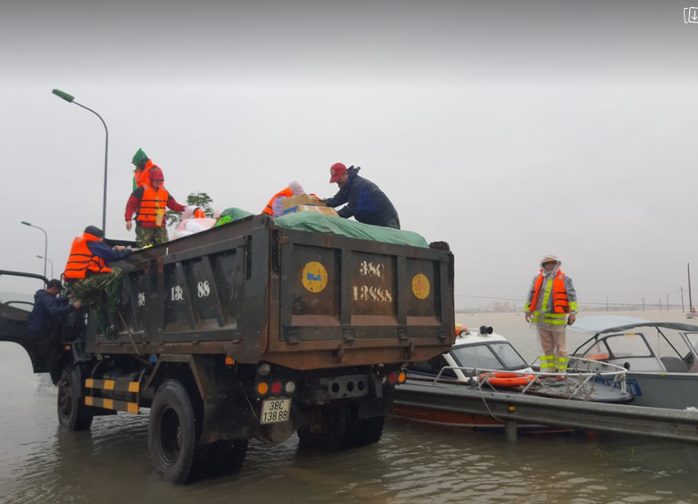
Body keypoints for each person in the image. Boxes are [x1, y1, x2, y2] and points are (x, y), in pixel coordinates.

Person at [63, 226, 130, 336]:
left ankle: (108, 332)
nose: (102, 240)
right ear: (96, 236)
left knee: (97, 306)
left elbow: (100, 254)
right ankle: (115, 304)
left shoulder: (81, 243)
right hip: (83, 282)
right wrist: (127, 251)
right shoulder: (92, 242)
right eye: (101, 238)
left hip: (74, 286)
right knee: (116, 273)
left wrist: (112, 249)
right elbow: (113, 256)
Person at [524, 254, 578, 378]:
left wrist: (573, 313)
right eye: (548, 263)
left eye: (553, 263)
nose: (550, 265)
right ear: (543, 265)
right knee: (546, 347)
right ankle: (549, 370)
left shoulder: (565, 278)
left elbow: (572, 297)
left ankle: (562, 372)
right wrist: (527, 311)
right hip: (541, 318)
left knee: (561, 346)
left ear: (557, 264)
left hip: (557, 318)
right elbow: (530, 295)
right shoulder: (537, 278)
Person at [325, 163, 400, 229]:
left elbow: (351, 209)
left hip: (386, 222)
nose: (337, 182)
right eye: (336, 180)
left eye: (339, 179)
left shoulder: (358, 185)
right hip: (372, 223)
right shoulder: (347, 187)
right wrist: (317, 203)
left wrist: (331, 216)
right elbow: (335, 201)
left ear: (345, 174)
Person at [125, 167, 186, 248]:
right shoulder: (141, 190)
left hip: (159, 225)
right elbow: (130, 205)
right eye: (156, 180)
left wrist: (186, 208)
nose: (158, 182)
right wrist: (128, 219)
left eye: (160, 180)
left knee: (165, 248)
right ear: (151, 179)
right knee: (142, 249)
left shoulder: (164, 192)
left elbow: (173, 205)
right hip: (144, 226)